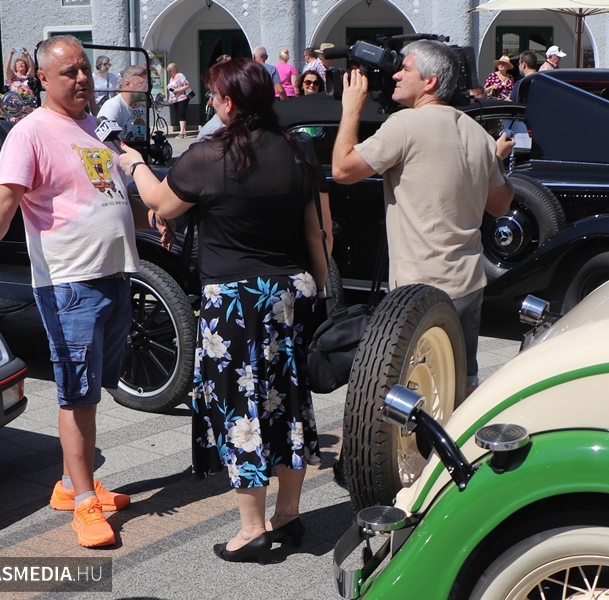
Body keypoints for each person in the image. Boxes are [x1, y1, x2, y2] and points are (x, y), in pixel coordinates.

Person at [0, 34, 168, 549]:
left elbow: (109, 196)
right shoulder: (31, 133)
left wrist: (151, 217)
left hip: (115, 276)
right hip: (69, 284)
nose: (82, 78)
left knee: (90, 392)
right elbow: (5, 198)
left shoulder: (96, 128)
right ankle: (84, 501)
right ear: (42, 78)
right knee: (75, 393)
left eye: (85, 68)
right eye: (70, 72)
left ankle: (70, 484)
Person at [119, 57, 331, 564]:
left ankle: (252, 530)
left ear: (230, 103)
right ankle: (288, 514)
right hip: (290, 294)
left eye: (214, 97)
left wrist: (135, 165)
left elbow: (161, 203)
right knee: (287, 403)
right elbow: (316, 230)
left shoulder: (208, 155)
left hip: (235, 302)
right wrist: (319, 294)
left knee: (242, 408)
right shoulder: (298, 148)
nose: (211, 103)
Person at [332, 40, 515, 394]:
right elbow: (501, 205)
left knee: (412, 395)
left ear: (429, 82)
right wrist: (495, 160)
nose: (396, 75)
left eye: (406, 69)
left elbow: (342, 169)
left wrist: (352, 108)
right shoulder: (476, 133)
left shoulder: (405, 124)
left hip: (420, 291)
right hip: (468, 284)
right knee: (461, 385)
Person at [97, 65, 149, 139]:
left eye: (147, 84)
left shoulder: (140, 109)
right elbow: (105, 141)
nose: (146, 88)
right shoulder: (112, 106)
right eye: (142, 84)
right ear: (128, 84)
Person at [167, 62, 192, 138]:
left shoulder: (180, 75)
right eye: (169, 71)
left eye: (171, 71)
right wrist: (170, 97)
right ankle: (183, 132)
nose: (170, 73)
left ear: (175, 69)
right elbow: (171, 89)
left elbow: (187, 85)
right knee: (179, 114)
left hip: (182, 97)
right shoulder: (171, 79)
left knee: (181, 114)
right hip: (175, 99)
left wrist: (179, 90)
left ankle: (182, 132)